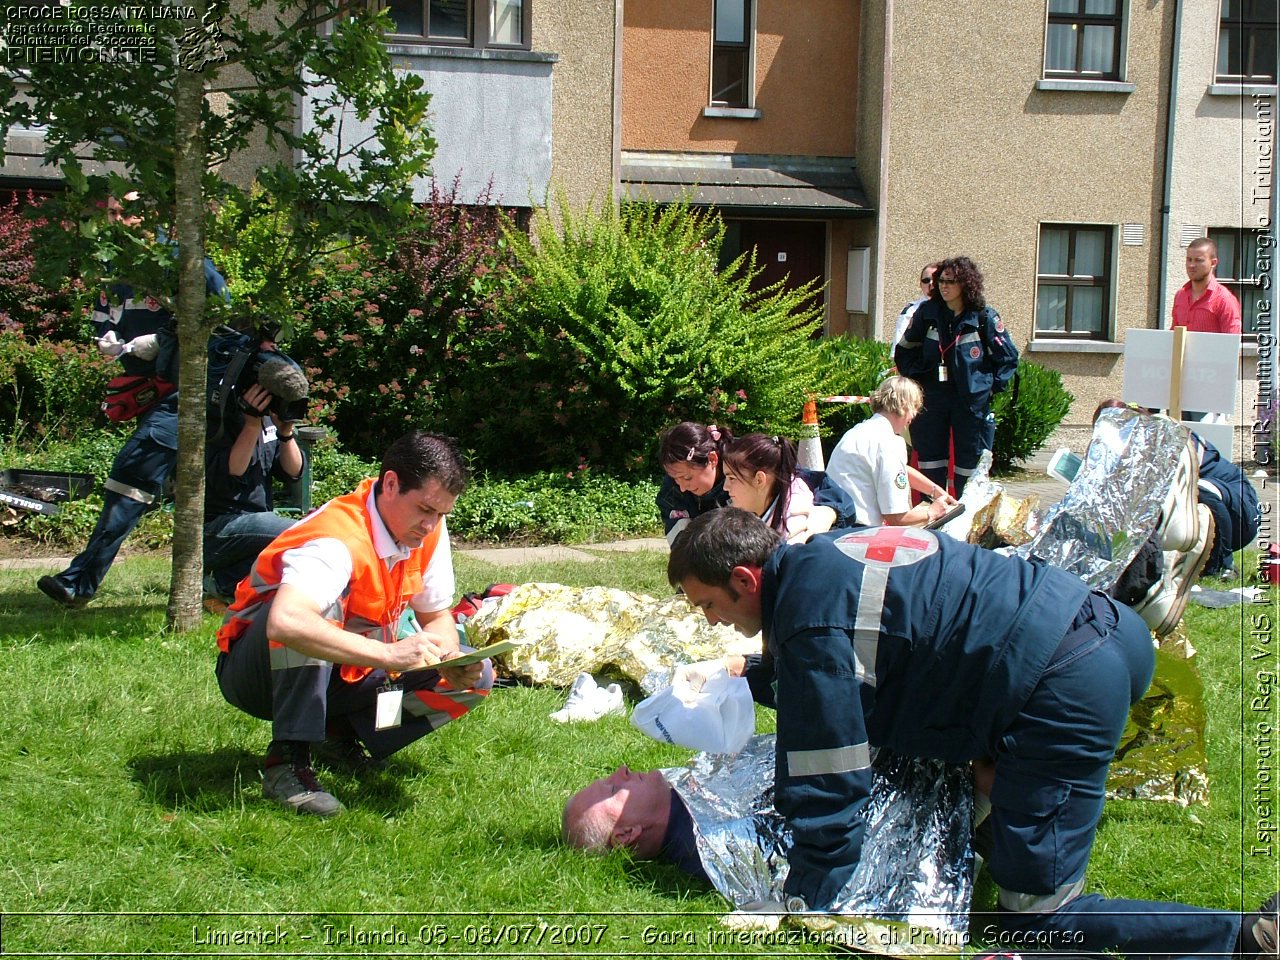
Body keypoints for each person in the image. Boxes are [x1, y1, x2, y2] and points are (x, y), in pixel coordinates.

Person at [666, 508, 1276, 957]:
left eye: (708, 605)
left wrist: (805, 894)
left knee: (1036, 919)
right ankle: (1027, 818)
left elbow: (830, 768)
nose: (713, 620)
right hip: (1098, 630)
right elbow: (875, 652)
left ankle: (1247, 937)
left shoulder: (805, 618)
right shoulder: (823, 556)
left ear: (746, 579)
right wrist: (755, 673)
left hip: (1062, 684)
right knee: (996, 806)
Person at [214, 430, 493, 817]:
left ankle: (342, 737)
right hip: (257, 678)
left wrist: (447, 659)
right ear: (391, 484)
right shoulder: (336, 538)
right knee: (312, 615)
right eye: (425, 510)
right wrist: (390, 654)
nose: (431, 526)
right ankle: (288, 762)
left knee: (479, 675)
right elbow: (286, 622)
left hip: (343, 675)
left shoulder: (426, 530)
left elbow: (436, 617)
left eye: (441, 514)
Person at [562, 734, 973, 936]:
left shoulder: (685, 799)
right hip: (913, 775)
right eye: (614, 791)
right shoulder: (713, 842)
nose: (620, 773)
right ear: (628, 834)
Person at [37, 193, 230, 608]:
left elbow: (222, 312)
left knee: (131, 478)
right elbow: (103, 319)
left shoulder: (183, 261)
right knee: (205, 491)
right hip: (145, 391)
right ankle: (226, 583)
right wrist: (107, 341)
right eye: (112, 212)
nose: (118, 219)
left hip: (185, 393)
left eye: (127, 211)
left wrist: (165, 338)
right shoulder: (112, 267)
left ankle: (78, 582)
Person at [893, 256, 1019, 498]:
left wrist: (988, 388)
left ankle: (966, 515)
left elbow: (1008, 359)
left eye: (951, 281)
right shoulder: (927, 313)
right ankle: (933, 513)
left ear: (966, 284)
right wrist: (915, 381)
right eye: (941, 281)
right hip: (932, 397)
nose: (943, 286)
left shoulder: (984, 317)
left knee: (969, 465)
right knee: (930, 462)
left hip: (970, 401)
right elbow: (904, 351)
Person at [201, 369, 304, 611]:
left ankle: (221, 582)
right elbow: (233, 473)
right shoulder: (220, 420)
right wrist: (251, 425)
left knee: (292, 546)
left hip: (256, 526)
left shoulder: (269, 420)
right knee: (297, 533)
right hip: (218, 529)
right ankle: (221, 583)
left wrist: (286, 433)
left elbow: (294, 472)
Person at [656, 422, 858, 544]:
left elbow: (814, 485)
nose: (681, 487)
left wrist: (828, 513)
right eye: (675, 479)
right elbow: (682, 551)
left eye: (687, 478)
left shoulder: (746, 461)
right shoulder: (674, 488)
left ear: (712, 459)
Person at [826, 376, 959, 527]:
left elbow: (900, 469)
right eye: (914, 407)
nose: (914, 415)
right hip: (858, 533)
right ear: (904, 405)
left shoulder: (859, 432)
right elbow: (896, 518)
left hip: (836, 526)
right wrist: (932, 512)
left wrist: (936, 491)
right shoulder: (889, 444)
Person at [719, 433, 860, 543]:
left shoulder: (796, 529)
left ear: (760, 479)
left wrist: (831, 511)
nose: (725, 487)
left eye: (732, 478)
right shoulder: (783, 492)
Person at [1172, 237, 1242, 335]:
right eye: (1189, 259)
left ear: (1213, 263)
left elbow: (1231, 345)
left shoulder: (1224, 299)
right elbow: (1173, 337)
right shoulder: (1180, 296)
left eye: (1198, 260)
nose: (1192, 265)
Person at [891, 262, 939, 347]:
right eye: (926, 280)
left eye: (935, 279)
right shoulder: (911, 311)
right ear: (920, 284)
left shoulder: (954, 308)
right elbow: (898, 350)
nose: (931, 284)